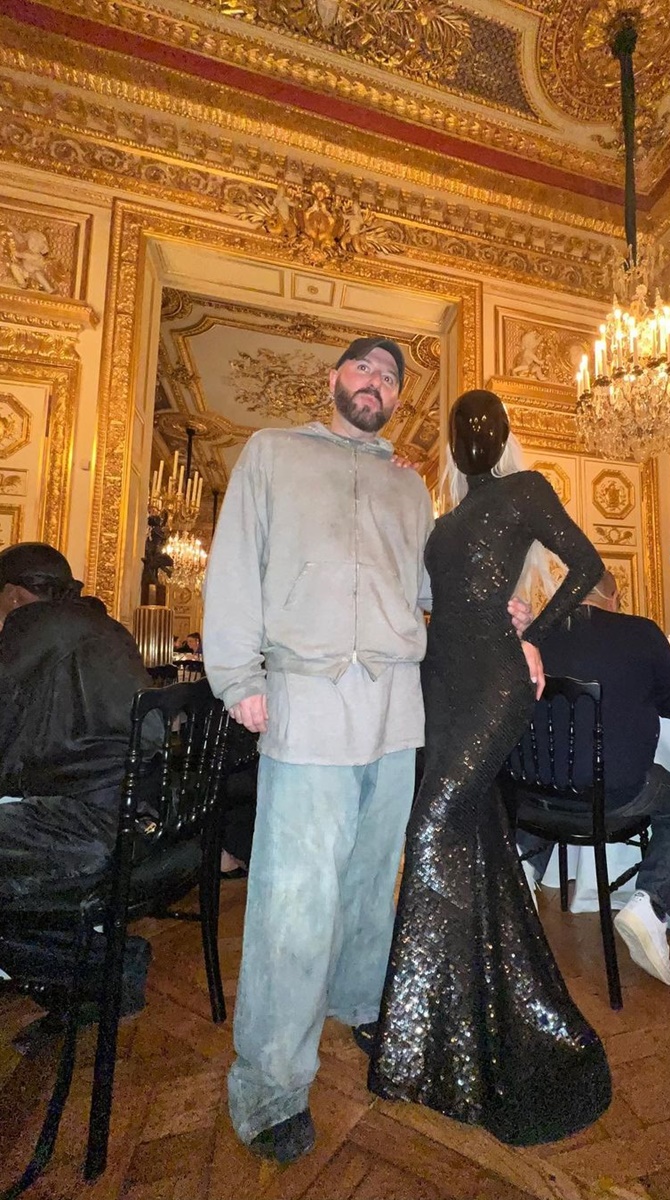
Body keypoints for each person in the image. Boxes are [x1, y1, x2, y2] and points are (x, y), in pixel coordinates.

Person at [202, 341, 532, 1163]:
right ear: (332, 381)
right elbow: (236, 567)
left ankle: (355, 1002)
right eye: (363, 371)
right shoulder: (272, 453)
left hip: (393, 710)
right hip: (307, 701)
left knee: (367, 882)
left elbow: (439, 595)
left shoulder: (408, 487)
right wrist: (237, 675)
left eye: (390, 378)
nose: (376, 383)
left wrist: (507, 619)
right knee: (292, 899)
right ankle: (270, 1085)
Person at [369, 389, 612, 1146]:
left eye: (490, 424)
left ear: (505, 436)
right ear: (452, 441)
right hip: (439, 683)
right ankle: (478, 1016)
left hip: (495, 685)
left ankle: (416, 1036)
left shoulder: (526, 491)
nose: (477, 434)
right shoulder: (443, 519)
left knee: (433, 825)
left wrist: (533, 633)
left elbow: (588, 565)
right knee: (474, 843)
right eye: (464, 425)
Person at [517, 570, 670, 987]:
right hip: (615, 793)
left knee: (559, 773)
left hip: (533, 791)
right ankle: (652, 904)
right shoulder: (640, 632)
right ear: (615, 597)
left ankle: (523, 871)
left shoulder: (536, 635)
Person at [0, 542, 157, 1052]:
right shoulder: (107, 627)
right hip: (139, 817)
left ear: (14, 595)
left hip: (85, 825)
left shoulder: (29, 627)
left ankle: (99, 968)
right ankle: (88, 959)